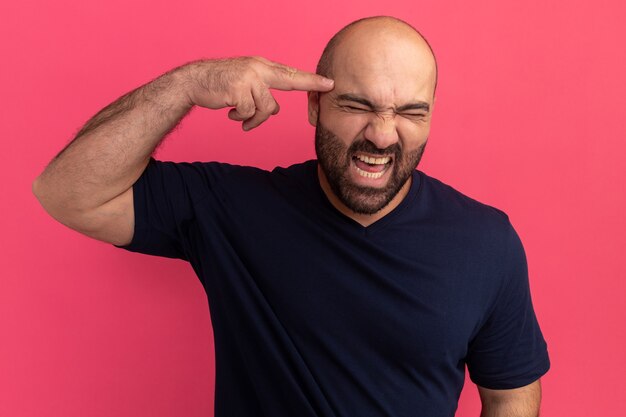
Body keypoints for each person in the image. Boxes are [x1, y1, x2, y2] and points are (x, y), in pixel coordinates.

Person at [33, 16, 550, 417]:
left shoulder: (487, 241)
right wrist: (188, 84)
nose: (383, 135)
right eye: (357, 105)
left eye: (411, 113)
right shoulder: (232, 207)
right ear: (313, 107)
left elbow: (511, 395)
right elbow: (65, 192)